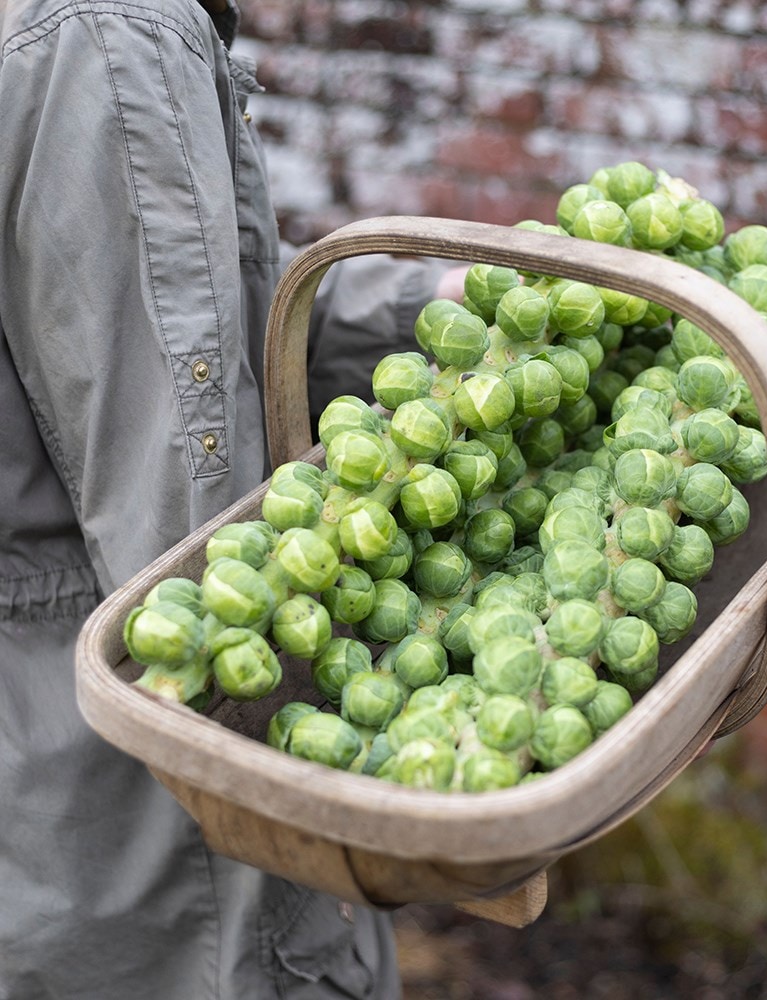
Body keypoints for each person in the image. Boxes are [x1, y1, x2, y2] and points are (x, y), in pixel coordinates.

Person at [0, 1, 465, 996]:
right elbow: (197, 555)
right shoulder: (101, 33)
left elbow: (215, 321)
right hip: (137, 847)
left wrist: (455, 313)